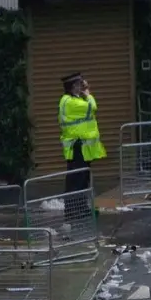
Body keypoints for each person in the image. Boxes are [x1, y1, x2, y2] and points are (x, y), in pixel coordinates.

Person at [58, 73, 106, 225]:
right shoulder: (69, 101)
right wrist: (88, 94)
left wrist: (84, 92)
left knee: (83, 178)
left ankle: (81, 208)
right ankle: (73, 212)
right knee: (76, 181)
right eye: (79, 85)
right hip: (76, 145)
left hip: (82, 145)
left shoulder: (75, 99)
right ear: (72, 87)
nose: (81, 87)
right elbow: (92, 107)